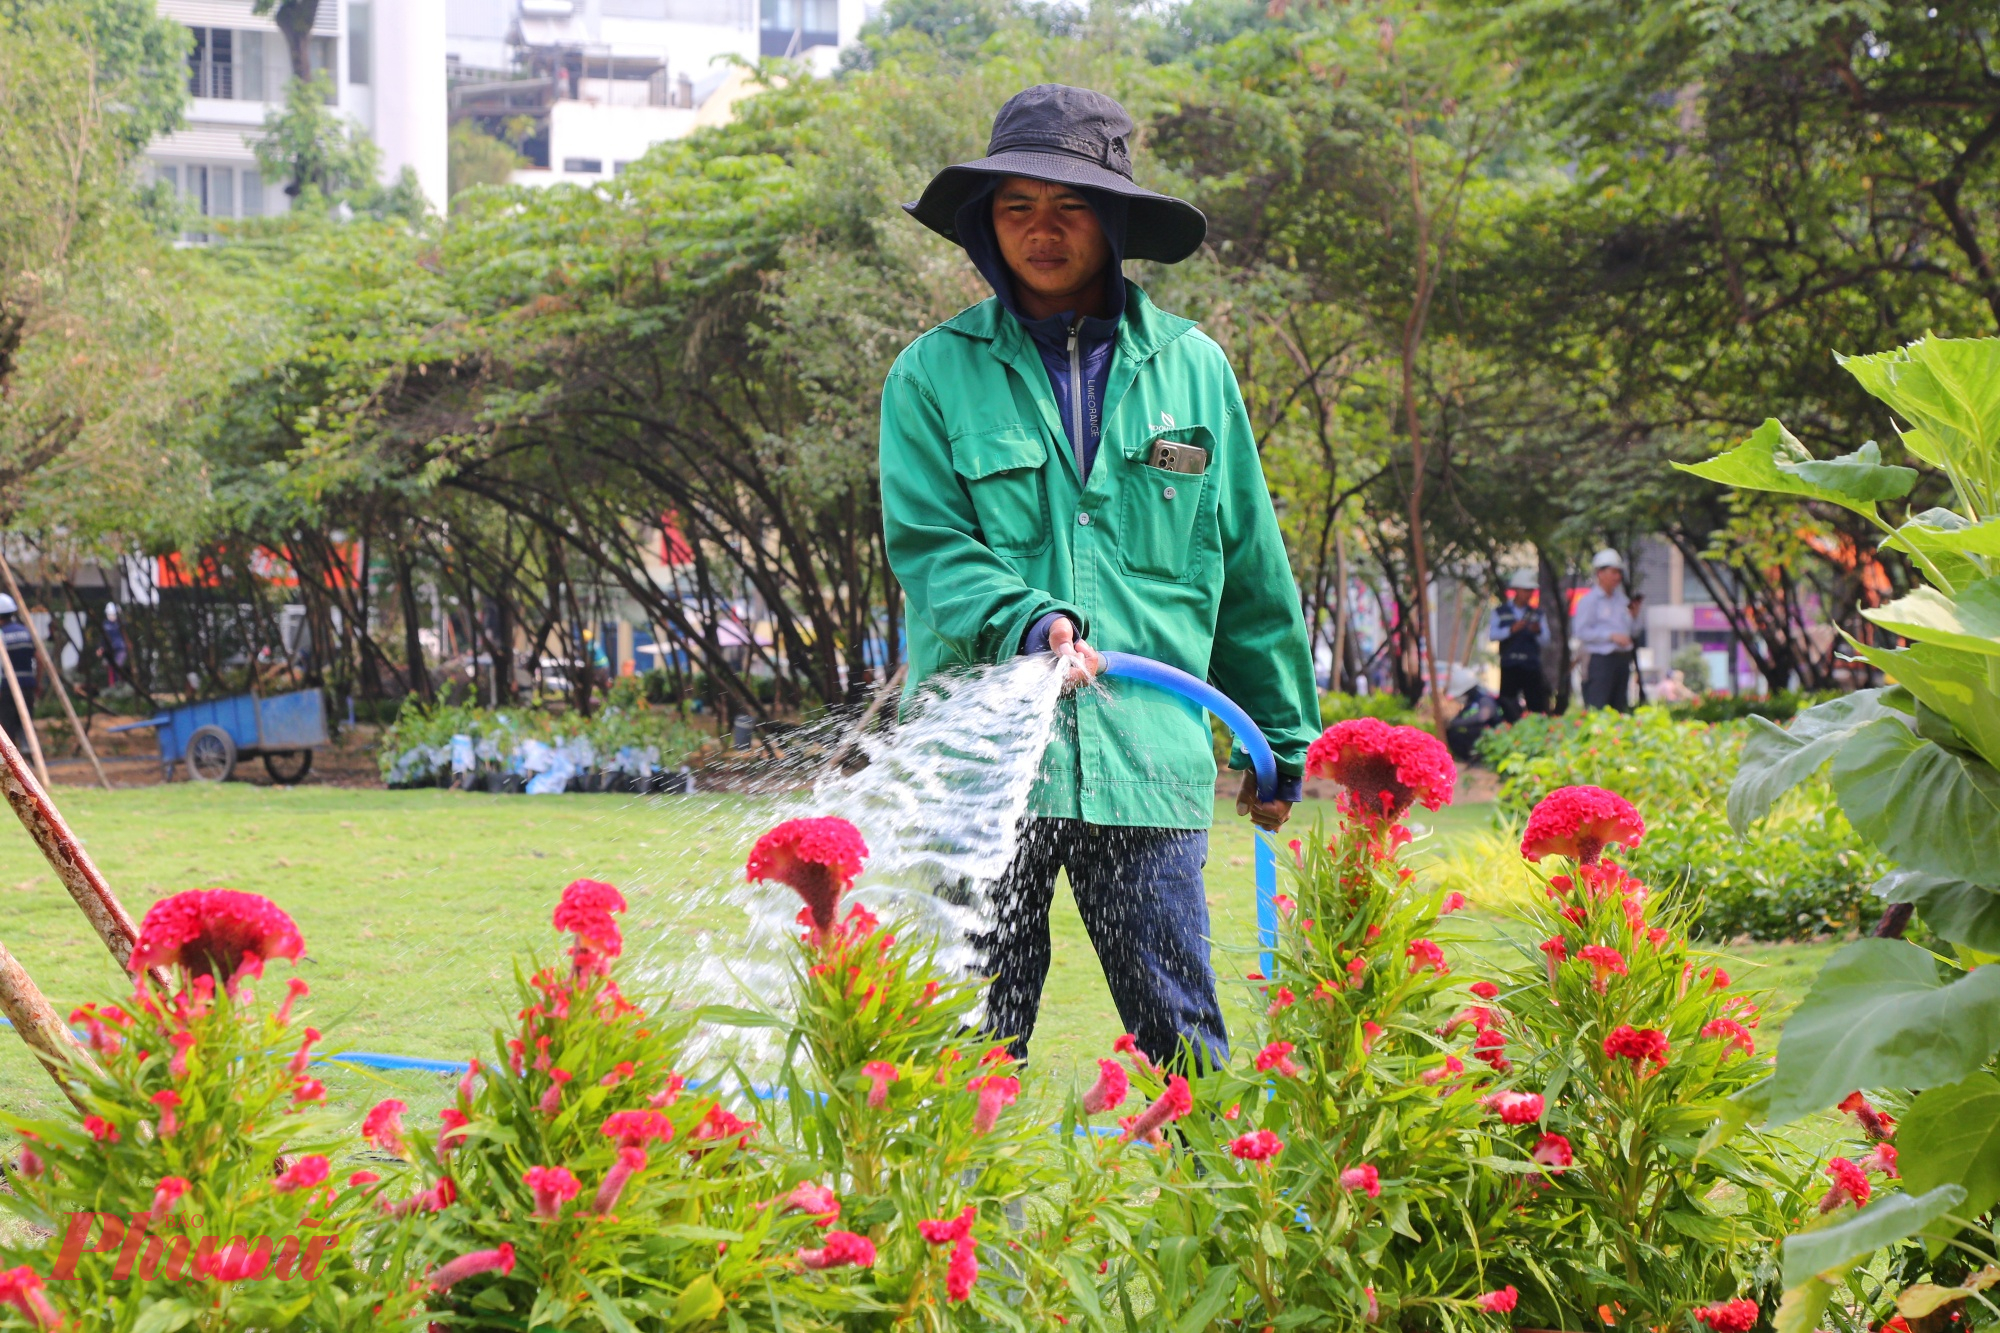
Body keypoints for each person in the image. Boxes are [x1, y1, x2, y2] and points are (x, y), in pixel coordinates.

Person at [880, 85, 1320, 1070]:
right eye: (1016, 206)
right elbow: (931, 549)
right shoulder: (929, 375)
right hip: (982, 773)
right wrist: (1028, 620)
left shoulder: (1193, 371)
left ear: (1112, 222)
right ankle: (946, 1229)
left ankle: (1211, 1220)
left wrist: (1279, 736)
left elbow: (1245, 560)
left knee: (1183, 1045)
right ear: (984, 224)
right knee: (957, 1052)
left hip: (1146, 762)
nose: (1040, 230)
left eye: (1068, 206)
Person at [1574, 548, 1643, 711]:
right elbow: (1581, 632)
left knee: (1619, 708)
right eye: (1613, 572)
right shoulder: (1589, 601)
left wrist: (1634, 616)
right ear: (1600, 573)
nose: (1617, 577)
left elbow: (1632, 631)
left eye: (1619, 573)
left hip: (1622, 659)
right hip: (1600, 660)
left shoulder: (1621, 600)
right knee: (1598, 706)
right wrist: (1610, 636)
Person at [1489, 569, 1550, 722]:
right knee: (1508, 703)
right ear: (1516, 590)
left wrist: (1538, 631)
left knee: (1536, 705)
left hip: (1531, 666)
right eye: (1525, 590)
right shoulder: (1500, 612)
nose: (1528, 594)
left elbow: (1546, 640)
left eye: (1531, 591)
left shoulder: (1537, 614)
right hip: (1510, 665)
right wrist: (1511, 630)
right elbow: (1492, 635)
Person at [0, 595, 38, 752]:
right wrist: (37, 682)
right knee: (25, 722)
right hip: (27, 685)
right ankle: (28, 753)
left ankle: (11, 762)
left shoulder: (2, 635)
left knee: (7, 725)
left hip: (6, 688)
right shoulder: (26, 632)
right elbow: (40, 659)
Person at [101, 602, 129, 688]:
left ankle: (119, 685)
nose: (111, 616)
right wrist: (101, 648)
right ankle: (112, 686)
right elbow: (103, 638)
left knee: (117, 666)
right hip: (109, 650)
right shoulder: (105, 624)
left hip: (120, 649)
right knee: (110, 667)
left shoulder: (121, 624)